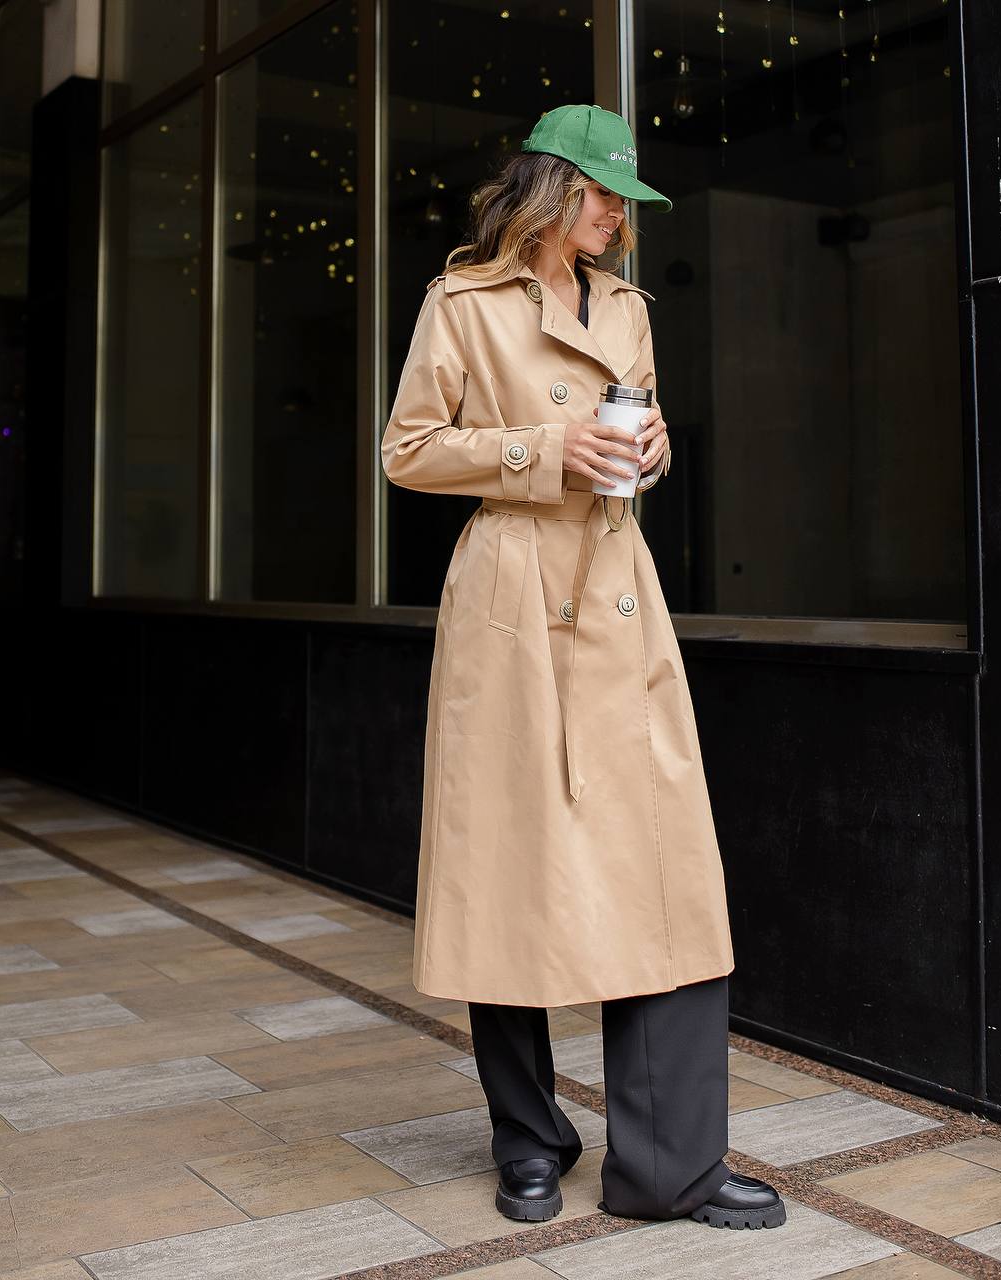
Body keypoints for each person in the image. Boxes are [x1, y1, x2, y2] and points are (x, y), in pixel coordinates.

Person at [380, 104, 785, 1232]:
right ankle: (528, 1138)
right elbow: (408, 450)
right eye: (607, 196)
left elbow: (635, 436)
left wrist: (650, 447)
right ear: (555, 189)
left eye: (625, 202)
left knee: (665, 867)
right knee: (503, 868)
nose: (619, 218)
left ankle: (671, 1163)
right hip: (510, 599)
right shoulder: (462, 301)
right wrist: (539, 448)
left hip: (614, 592)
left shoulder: (628, 307)